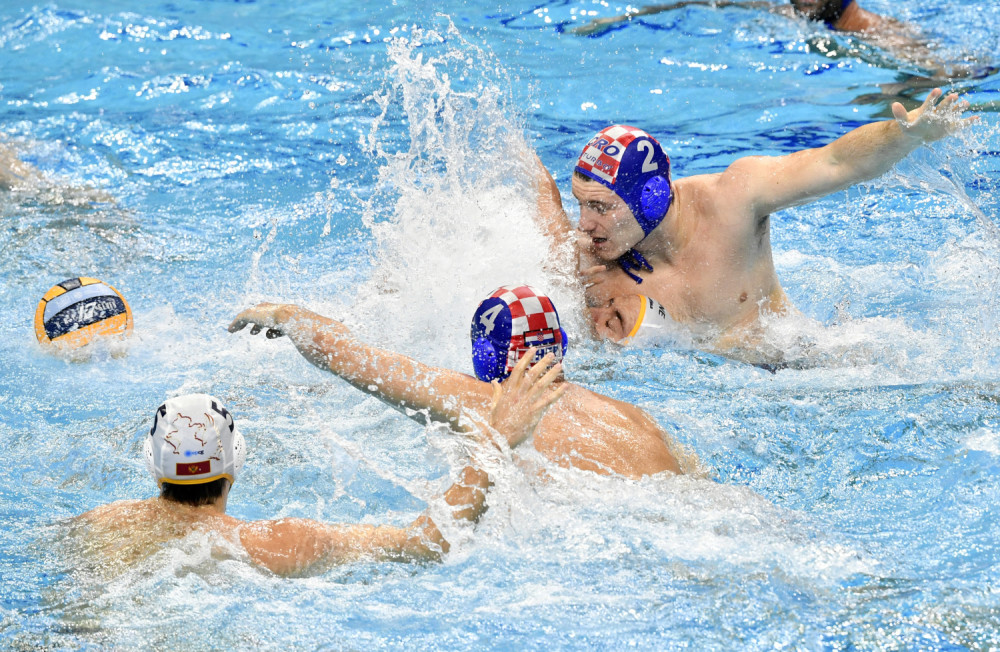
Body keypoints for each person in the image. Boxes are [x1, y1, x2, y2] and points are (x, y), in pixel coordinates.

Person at [531, 92, 975, 364]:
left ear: (648, 198)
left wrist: (909, 134)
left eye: (599, 207)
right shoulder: (597, 264)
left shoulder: (733, 200)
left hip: (804, 367)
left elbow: (837, 160)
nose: (584, 224)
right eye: (579, 205)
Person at [74, 371, 558, 577]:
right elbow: (429, 543)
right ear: (236, 462)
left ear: (151, 466)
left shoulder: (95, 527)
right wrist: (495, 442)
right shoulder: (280, 542)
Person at [228, 285, 697, 480]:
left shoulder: (487, 401)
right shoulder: (632, 415)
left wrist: (286, 315)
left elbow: (349, 357)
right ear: (561, 345)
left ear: (486, 352)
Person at [571, 0, 994, 83]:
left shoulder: (874, 31)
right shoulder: (790, 11)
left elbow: (953, 73)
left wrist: (898, 94)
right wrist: (628, 15)